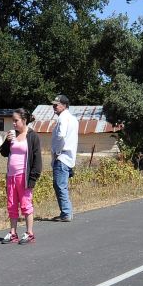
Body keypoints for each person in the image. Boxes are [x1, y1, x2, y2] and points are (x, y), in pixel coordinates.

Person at [0, 107, 43, 245]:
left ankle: (29, 233)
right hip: (11, 176)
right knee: (11, 205)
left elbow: (37, 160)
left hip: (24, 176)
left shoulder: (32, 136)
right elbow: (4, 153)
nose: (13, 123)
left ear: (24, 120)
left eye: (16, 120)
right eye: (13, 120)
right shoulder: (13, 135)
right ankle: (13, 233)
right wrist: (7, 140)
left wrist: (32, 179)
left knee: (25, 205)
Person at [49, 94, 78, 222]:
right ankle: (66, 212)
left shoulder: (63, 118)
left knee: (60, 185)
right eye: (54, 104)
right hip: (68, 157)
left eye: (57, 104)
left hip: (62, 157)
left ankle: (66, 213)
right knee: (61, 185)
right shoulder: (73, 119)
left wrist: (57, 152)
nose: (54, 106)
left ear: (64, 105)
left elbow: (61, 135)